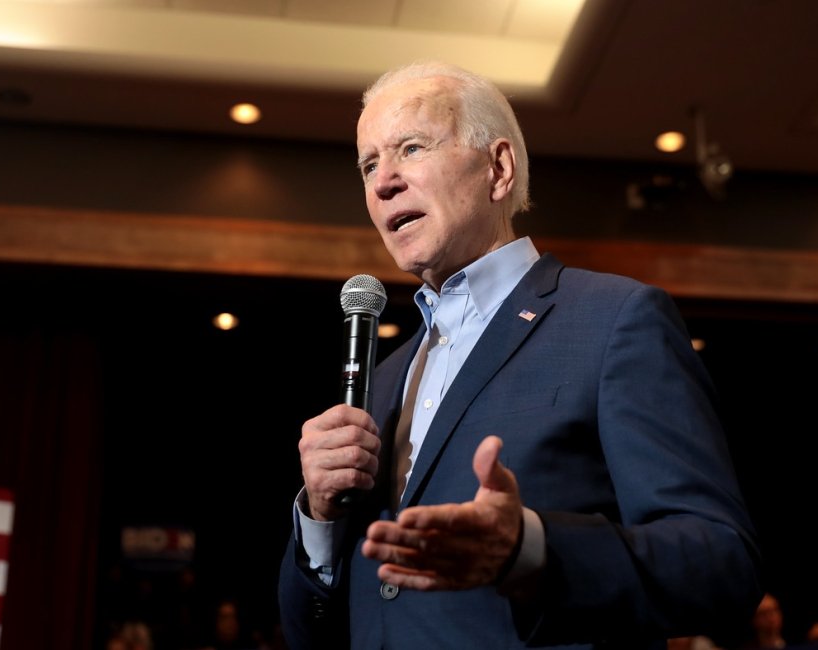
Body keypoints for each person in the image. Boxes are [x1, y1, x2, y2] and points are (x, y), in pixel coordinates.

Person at [277, 59, 762, 649]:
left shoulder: (613, 321)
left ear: (498, 168)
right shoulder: (383, 381)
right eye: (369, 164)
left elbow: (722, 564)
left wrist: (529, 549)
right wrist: (321, 521)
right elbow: (314, 633)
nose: (383, 182)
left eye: (411, 148)